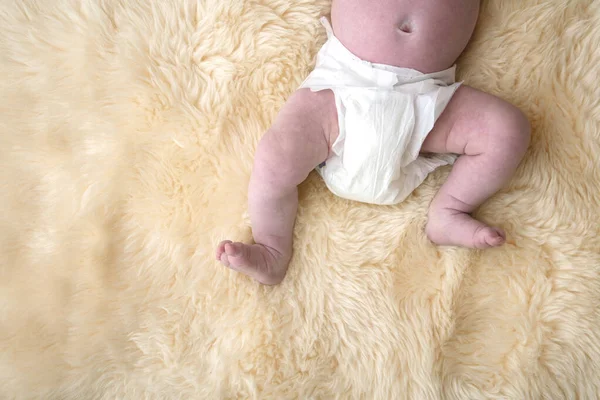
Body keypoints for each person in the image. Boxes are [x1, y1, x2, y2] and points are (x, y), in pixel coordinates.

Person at [216, 0, 531, 285]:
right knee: (275, 156)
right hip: (342, 85)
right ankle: (273, 249)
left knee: (507, 130)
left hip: (427, 98)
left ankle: (449, 211)